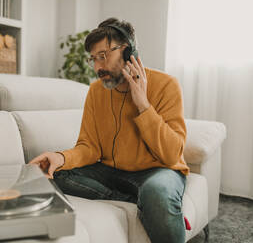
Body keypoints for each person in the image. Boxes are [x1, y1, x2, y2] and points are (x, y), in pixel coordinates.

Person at [30, 17, 190, 243]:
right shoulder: (96, 91)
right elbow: (90, 147)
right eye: (93, 59)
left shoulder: (166, 85)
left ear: (127, 52)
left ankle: (152, 200)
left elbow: (172, 155)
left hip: (158, 171)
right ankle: (141, 202)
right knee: (56, 172)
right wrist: (59, 157)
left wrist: (143, 104)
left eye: (103, 56)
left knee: (157, 192)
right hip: (112, 172)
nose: (97, 67)